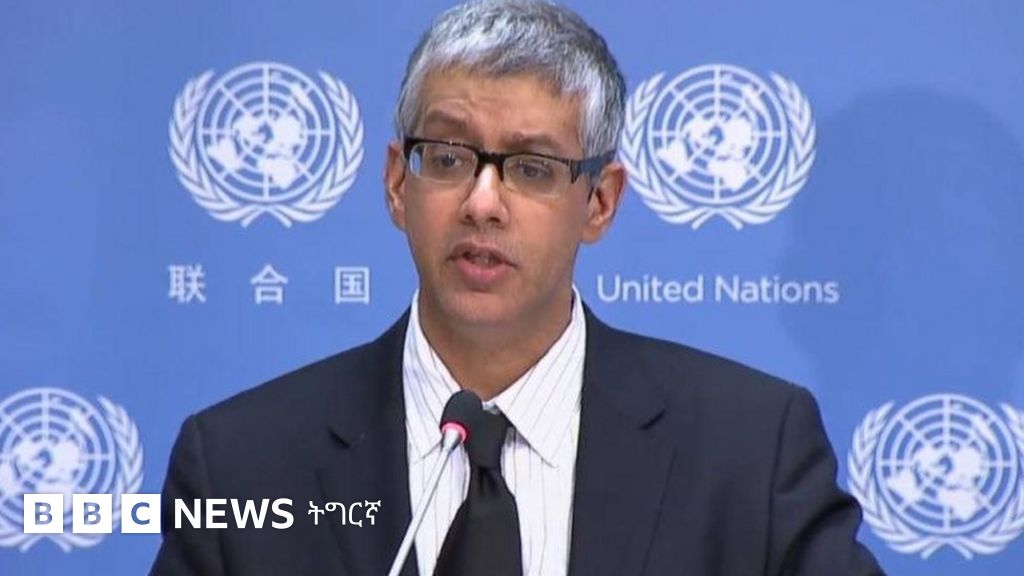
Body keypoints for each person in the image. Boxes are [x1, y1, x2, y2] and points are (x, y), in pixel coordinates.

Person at [152, 1, 885, 574]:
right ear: (396, 183)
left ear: (600, 202)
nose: (482, 203)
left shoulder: (750, 454)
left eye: (532, 168)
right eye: (447, 157)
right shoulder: (242, 466)